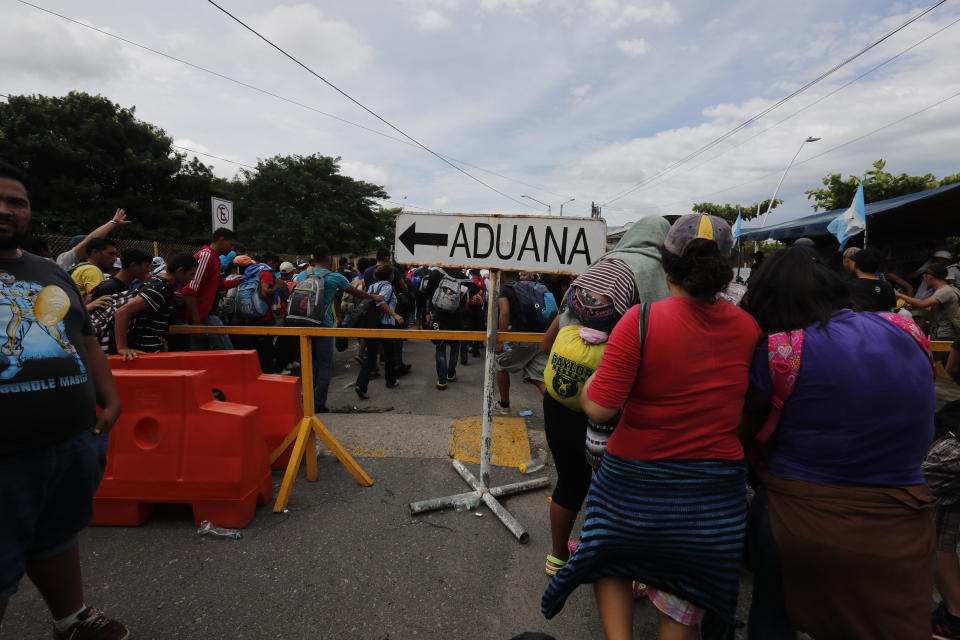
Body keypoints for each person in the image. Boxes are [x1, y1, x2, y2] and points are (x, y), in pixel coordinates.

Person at [542, 214, 760, 640]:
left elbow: (601, 409)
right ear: (727, 267)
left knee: (609, 559)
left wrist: (588, 384)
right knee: (683, 602)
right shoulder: (748, 327)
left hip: (634, 481)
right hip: (712, 492)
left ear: (666, 263)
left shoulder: (640, 321)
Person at [740, 245, 936, 639]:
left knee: (773, 614)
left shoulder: (781, 351)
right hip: (903, 519)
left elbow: (744, 433)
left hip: (801, 515)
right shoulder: (907, 330)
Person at [0, 162, 128, 639]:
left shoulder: (51, 272)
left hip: (70, 443)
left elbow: (83, 339)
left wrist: (110, 401)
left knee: (56, 536)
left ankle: (71, 621)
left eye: (17, 201)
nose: (6, 209)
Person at [539, 215, 671, 580]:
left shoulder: (596, 268)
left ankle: (556, 558)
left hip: (561, 398)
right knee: (623, 492)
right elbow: (659, 343)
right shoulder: (654, 275)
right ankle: (627, 575)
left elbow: (548, 342)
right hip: (613, 403)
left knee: (569, 481)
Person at [293, 245, 383, 413]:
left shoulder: (303, 274)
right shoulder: (335, 277)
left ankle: (305, 399)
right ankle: (319, 403)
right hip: (323, 326)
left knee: (308, 364)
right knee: (324, 366)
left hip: (302, 324)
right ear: (329, 259)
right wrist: (374, 296)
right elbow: (357, 293)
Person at [94, 252, 199, 358]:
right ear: (180, 271)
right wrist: (122, 348)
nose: (193, 278)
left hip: (146, 344)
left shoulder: (158, 282)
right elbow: (122, 312)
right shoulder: (161, 288)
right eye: (192, 274)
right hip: (144, 349)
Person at [494, 271, 550, 413]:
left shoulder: (506, 289)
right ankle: (555, 408)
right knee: (538, 376)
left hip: (523, 338)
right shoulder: (529, 286)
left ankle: (504, 404)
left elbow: (505, 312)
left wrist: (500, 339)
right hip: (540, 336)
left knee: (501, 364)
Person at [181, 227, 241, 351]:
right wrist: (197, 321)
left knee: (202, 356)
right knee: (227, 352)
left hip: (204, 314)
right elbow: (190, 290)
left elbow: (220, 285)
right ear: (221, 239)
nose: (232, 249)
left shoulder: (214, 258)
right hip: (202, 316)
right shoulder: (206, 256)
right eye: (231, 244)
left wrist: (240, 281)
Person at [354, 264, 405, 399]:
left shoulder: (372, 286)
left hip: (372, 324)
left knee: (371, 355)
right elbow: (380, 303)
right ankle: (390, 381)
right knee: (389, 354)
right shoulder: (387, 286)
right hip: (386, 324)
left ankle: (361, 384)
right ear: (390, 275)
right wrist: (395, 315)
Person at [424, 266, 478, 390]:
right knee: (455, 345)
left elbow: (427, 293)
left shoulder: (435, 273)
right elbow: (476, 288)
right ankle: (451, 374)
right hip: (457, 315)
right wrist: (462, 297)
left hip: (439, 315)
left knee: (440, 346)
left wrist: (431, 309)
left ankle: (442, 381)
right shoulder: (462, 276)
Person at [232, 255, 279, 374]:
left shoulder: (246, 274)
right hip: (263, 319)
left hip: (247, 319)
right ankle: (267, 383)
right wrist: (278, 284)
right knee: (265, 357)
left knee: (251, 356)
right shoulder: (265, 271)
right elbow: (265, 293)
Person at [897, 262, 959, 342]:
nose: (925, 281)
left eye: (924, 278)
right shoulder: (944, 290)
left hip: (944, 335)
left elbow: (923, 303)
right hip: (940, 334)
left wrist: (899, 295)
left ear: (929, 277)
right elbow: (930, 308)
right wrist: (916, 307)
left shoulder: (945, 291)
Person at [55, 208, 130, 273]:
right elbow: (88, 242)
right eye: (110, 254)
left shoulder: (95, 267)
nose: (114, 258)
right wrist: (113, 223)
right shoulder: (66, 262)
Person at [847, 247, 897, 312]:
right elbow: (890, 310)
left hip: (862, 321)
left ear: (856, 265)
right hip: (883, 321)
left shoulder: (850, 286)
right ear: (878, 267)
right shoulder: (888, 286)